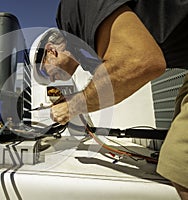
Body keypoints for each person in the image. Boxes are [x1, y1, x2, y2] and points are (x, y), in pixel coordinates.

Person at [29, 0, 188, 199]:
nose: (50, 79)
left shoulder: (73, 9)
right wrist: (76, 101)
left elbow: (140, 62)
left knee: (179, 163)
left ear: (51, 50)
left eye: (46, 72)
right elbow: (116, 83)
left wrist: (72, 107)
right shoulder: (89, 56)